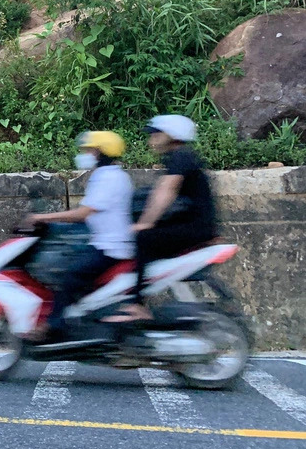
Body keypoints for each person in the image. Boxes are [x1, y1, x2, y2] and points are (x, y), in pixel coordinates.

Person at [106, 114, 218, 324]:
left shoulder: (181, 156)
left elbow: (166, 190)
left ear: (171, 135)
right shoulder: (180, 157)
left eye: (156, 135)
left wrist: (145, 223)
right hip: (194, 225)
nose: (152, 141)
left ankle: (138, 305)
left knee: (144, 239)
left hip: (196, 228)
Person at [24, 131, 134, 342]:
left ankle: (53, 326)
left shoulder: (106, 177)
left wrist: (42, 217)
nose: (85, 154)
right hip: (110, 243)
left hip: (109, 248)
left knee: (69, 276)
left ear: (101, 152)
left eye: (90, 150)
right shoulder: (118, 175)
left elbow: (82, 213)